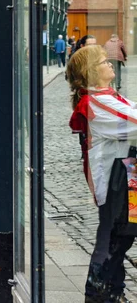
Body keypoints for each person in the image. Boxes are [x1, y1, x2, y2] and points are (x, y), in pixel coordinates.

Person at [67, 45, 136, 302]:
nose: (110, 64)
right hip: (116, 184)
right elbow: (134, 122)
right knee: (113, 238)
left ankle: (112, 291)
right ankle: (98, 294)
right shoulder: (97, 102)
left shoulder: (107, 96)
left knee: (122, 237)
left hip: (127, 179)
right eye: (105, 62)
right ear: (91, 71)